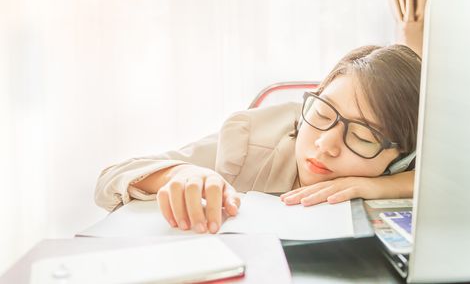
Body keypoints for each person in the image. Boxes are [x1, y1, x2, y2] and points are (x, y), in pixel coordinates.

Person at [95, 44, 421, 235]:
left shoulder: (414, 162)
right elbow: (110, 178)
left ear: (401, 156)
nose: (325, 145)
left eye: (363, 137)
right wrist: (178, 174)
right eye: (322, 114)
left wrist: (388, 186)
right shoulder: (251, 139)